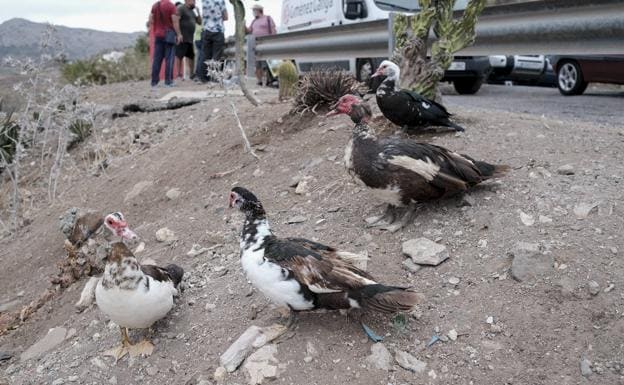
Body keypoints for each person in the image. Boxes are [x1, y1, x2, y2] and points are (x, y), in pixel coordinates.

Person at [148, 0, 183, 87]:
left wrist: (157, 26)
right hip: (169, 35)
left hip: (158, 35)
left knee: (157, 59)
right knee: (169, 59)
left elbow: (151, 20)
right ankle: (168, 81)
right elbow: (175, 21)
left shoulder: (155, 5)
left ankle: (154, 81)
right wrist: (179, 34)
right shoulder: (171, 6)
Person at [246, 3, 276, 86]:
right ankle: (259, 81)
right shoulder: (253, 21)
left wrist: (274, 41)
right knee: (257, 64)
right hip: (255, 44)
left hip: (266, 43)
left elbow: (273, 29)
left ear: (258, 10)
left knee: (266, 64)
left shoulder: (268, 18)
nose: (253, 12)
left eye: (254, 10)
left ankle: (269, 81)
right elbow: (249, 31)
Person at [200, 0, 228, 82]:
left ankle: (204, 78)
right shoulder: (220, 1)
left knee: (205, 55)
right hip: (217, 30)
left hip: (206, 30)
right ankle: (214, 78)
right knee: (217, 55)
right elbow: (226, 17)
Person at [175, 0, 202, 80]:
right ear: (186, 1)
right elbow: (176, 20)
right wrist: (178, 34)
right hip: (182, 37)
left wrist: (198, 12)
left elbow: (200, 22)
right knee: (179, 55)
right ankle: (179, 74)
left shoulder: (193, 11)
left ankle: (191, 74)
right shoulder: (181, 8)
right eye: (193, 1)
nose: (194, 2)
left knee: (191, 56)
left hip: (190, 38)